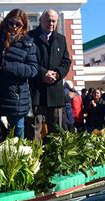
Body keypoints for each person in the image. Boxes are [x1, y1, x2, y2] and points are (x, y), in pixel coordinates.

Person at [0, 8, 38, 144]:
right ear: (7, 21)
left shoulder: (28, 43)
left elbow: (33, 69)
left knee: (17, 136)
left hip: (16, 95)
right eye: (12, 23)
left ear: (23, 26)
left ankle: (16, 162)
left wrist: (10, 66)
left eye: (19, 25)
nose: (14, 27)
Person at [29, 9, 72, 139]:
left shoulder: (61, 39)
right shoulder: (30, 37)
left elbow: (66, 61)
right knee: (34, 132)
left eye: (54, 21)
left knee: (57, 132)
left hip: (55, 92)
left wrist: (57, 74)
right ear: (41, 21)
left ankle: (56, 158)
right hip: (37, 93)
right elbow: (28, 60)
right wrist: (43, 73)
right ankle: (34, 158)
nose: (51, 23)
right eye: (48, 20)